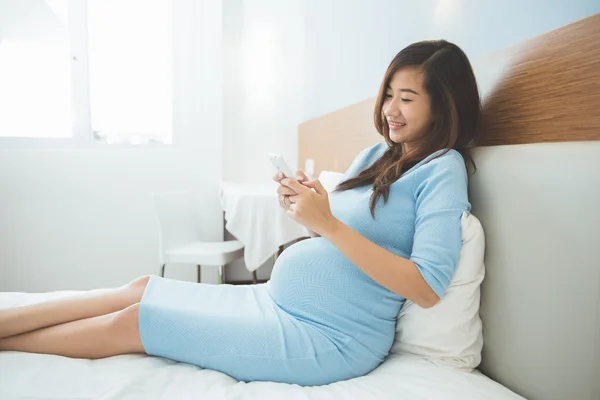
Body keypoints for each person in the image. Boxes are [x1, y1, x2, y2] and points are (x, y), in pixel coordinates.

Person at [0, 39, 481, 386]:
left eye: (407, 98)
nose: (390, 108)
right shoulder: (376, 156)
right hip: (275, 302)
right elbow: (348, 238)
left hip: (327, 339)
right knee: (141, 289)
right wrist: (313, 209)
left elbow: (426, 288)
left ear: (445, 106)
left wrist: (328, 224)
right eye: (389, 93)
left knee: (132, 322)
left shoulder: (444, 170)